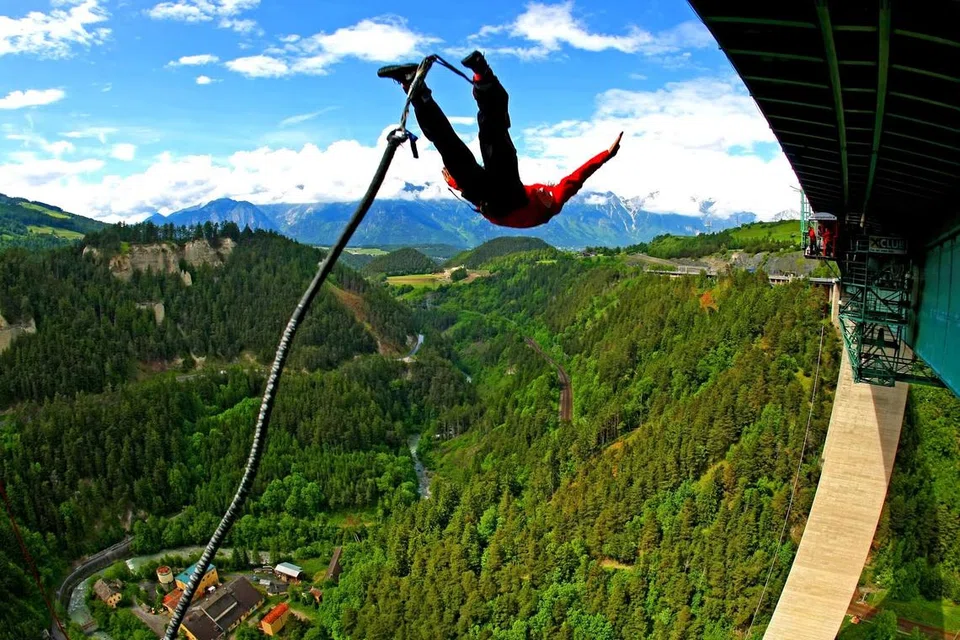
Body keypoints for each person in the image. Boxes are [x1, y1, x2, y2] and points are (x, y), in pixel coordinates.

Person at [377, 50, 623, 229]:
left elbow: (578, 177)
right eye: (545, 194)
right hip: (499, 194)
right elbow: (579, 176)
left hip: (497, 200)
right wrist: (606, 154)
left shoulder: (552, 201)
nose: (545, 194)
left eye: (545, 197)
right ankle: (483, 76)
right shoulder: (553, 194)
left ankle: (417, 91)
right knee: (493, 136)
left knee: (451, 149)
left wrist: (458, 183)